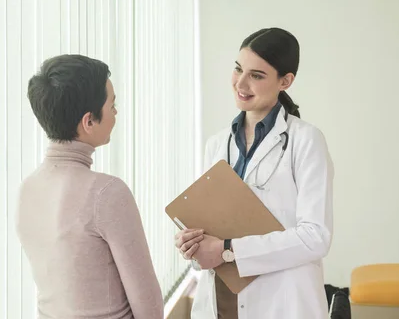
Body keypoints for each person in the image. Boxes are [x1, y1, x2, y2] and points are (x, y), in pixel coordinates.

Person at [174, 28, 335, 319]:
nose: (241, 83)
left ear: (285, 81)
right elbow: (214, 229)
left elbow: (315, 237)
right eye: (238, 69)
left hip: (282, 301)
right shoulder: (217, 144)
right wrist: (194, 246)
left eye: (257, 76)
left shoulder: (306, 141)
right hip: (222, 300)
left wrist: (227, 250)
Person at [16, 54, 164, 319]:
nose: (116, 113)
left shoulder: (28, 189)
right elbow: (149, 307)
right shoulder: (106, 193)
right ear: (89, 121)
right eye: (112, 106)